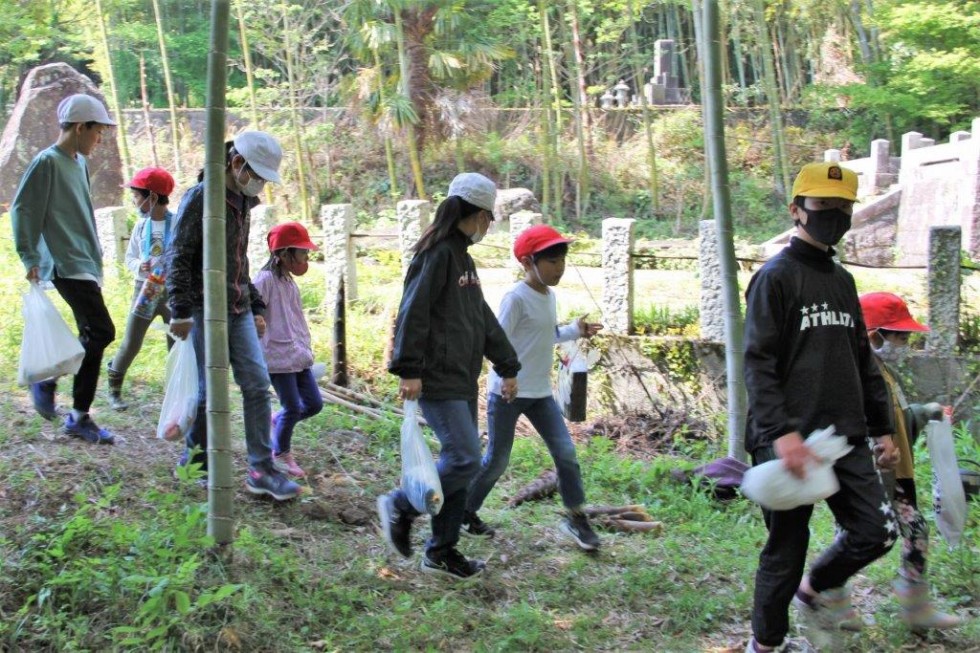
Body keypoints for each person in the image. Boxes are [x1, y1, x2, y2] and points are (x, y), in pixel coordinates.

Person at [742, 162, 899, 653]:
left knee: (877, 531)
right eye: (822, 206)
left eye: (842, 208)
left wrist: (883, 428)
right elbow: (758, 362)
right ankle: (766, 645)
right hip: (786, 439)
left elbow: (862, 359)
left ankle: (815, 589)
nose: (833, 215)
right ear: (796, 210)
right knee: (785, 549)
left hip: (843, 436)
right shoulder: (775, 278)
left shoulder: (842, 280)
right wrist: (780, 433)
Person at [376, 172, 521, 579]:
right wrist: (408, 368)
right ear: (474, 214)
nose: (489, 225)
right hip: (435, 377)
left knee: (464, 465)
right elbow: (413, 311)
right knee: (464, 457)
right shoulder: (437, 254)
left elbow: (482, 320)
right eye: (488, 217)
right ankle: (401, 504)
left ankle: (441, 551)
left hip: (460, 376)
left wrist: (507, 364)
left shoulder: (463, 259)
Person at [165, 132, 300, 502]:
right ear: (236, 163)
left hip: (237, 307)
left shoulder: (243, 201)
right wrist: (179, 310)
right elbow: (177, 256)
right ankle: (195, 459)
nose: (258, 183)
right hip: (200, 307)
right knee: (210, 393)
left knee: (257, 384)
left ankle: (262, 468)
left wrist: (256, 304)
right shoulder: (201, 198)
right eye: (255, 173)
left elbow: (237, 263)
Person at [464, 224, 604, 551]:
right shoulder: (515, 298)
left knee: (566, 454)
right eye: (552, 261)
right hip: (508, 393)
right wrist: (506, 374)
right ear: (528, 263)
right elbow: (493, 340)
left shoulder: (549, 295)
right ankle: (465, 511)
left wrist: (575, 330)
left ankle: (575, 516)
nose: (560, 268)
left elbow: (544, 334)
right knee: (496, 461)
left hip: (541, 393)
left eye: (563, 261)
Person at [11, 93, 118, 444]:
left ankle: (74, 412)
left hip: (84, 259)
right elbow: (24, 209)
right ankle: (58, 391)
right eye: (97, 131)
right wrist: (29, 256)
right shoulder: (48, 162)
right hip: (64, 261)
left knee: (96, 332)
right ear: (78, 127)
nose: (99, 139)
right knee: (101, 331)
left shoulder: (79, 163)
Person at [858, 291, 962, 632]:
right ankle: (822, 595)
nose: (905, 344)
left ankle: (914, 606)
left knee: (914, 530)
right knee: (860, 539)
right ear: (874, 336)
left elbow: (898, 419)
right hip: (872, 474)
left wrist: (927, 411)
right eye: (900, 337)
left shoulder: (884, 372)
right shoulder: (859, 376)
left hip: (896, 472)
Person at [253, 221, 324, 478]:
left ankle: (278, 420)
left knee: (314, 404)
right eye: (302, 252)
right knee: (293, 406)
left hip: (298, 356)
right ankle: (280, 453)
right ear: (283, 254)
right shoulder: (265, 280)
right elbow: (254, 309)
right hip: (277, 357)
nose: (306, 257)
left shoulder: (289, 282)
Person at [105, 167, 177, 410]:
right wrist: (140, 266)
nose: (134, 201)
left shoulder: (176, 225)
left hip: (171, 291)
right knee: (132, 342)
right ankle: (114, 389)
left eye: (137, 196)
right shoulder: (140, 227)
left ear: (152, 197)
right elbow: (129, 259)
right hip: (145, 289)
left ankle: (175, 393)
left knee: (176, 342)